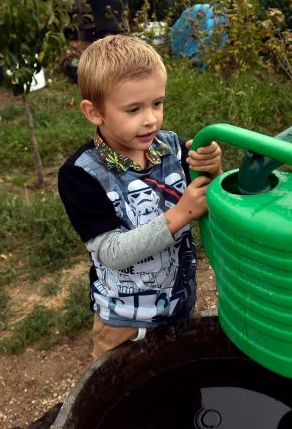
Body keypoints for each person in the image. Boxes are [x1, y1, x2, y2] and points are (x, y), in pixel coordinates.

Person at [58, 34, 223, 361]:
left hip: (179, 302)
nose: (150, 119)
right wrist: (181, 213)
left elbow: (205, 201)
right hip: (124, 322)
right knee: (126, 392)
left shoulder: (170, 146)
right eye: (133, 109)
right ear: (94, 112)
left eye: (157, 103)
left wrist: (211, 170)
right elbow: (111, 252)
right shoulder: (82, 174)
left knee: (177, 376)